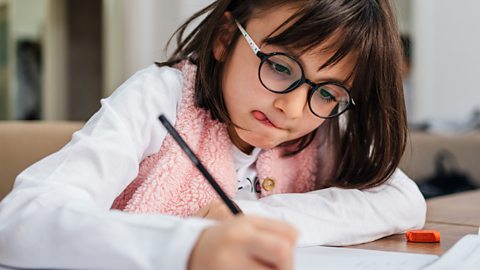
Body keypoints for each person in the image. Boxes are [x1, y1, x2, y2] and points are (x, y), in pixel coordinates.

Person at [0, 0, 426, 269]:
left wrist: (257, 219)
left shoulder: (319, 127)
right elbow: (20, 220)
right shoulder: (161, 98)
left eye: (329, 92)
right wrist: (190, 247)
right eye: (279, 66)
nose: (293, 108)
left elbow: (403, 201)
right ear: (226, 37)